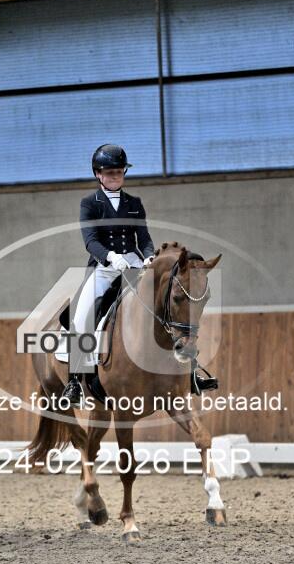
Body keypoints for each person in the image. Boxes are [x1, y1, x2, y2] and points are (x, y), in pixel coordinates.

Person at [62, 144, 217, 407]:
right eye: (109, 172)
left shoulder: (134, 203)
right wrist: (111, 257)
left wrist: (147, 257)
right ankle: (75, 381)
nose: (115, 176)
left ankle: (191, 374)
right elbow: (90, 241)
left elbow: (143, 238)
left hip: (135, 265)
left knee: (168, 305)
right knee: (82, 314)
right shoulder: (89, 204)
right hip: (104, 268)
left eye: (119, 171)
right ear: (98, 174)